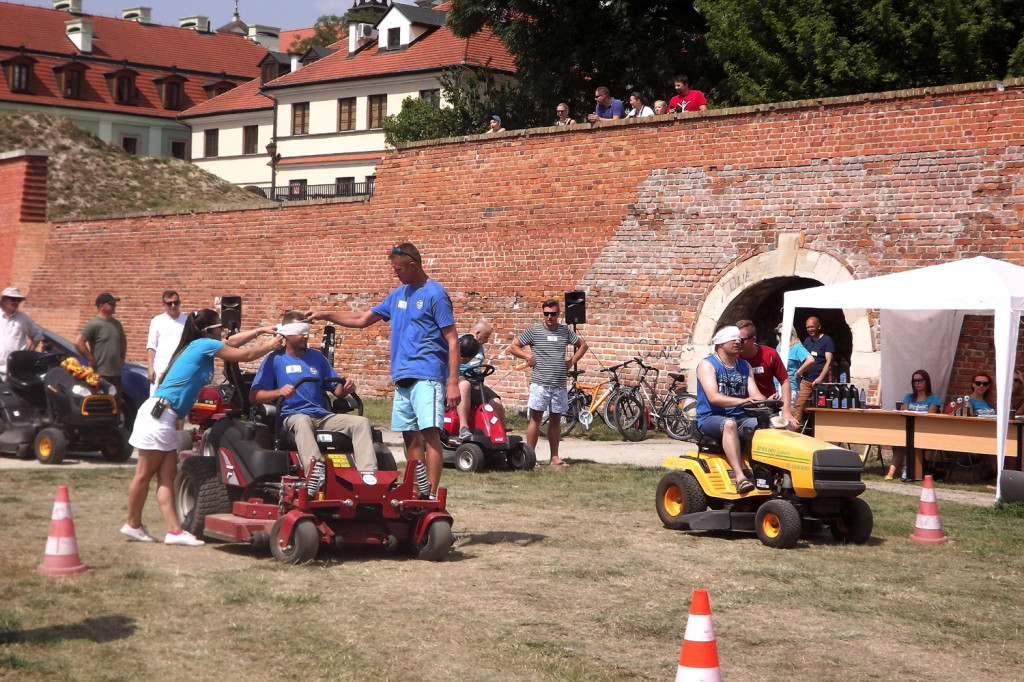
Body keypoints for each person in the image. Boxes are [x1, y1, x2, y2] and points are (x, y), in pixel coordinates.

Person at [306, 242, 460, 497]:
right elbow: (362, 320)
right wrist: (325, 314)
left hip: (427, 376)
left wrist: (453, 382)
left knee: (430, 434)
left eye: (398, 269)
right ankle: (415, 492)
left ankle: (430, 496)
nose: (395, 273)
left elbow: (452, 340)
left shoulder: (435, 294)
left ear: (413, 265)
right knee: (410, 437)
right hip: (402, 379)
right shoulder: (397, 295)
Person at [123, 309, 282, 545]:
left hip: (165, 416)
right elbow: (245, 354)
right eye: (220, 328)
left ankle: (173, 532)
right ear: (209, 331)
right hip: (158, 415)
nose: (223, 332)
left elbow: (232, 342)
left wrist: (259, 330)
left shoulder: (203, 345)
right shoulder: (202, 345)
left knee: (167, 477)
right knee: (144, 474)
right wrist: (270, 345)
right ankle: (132, 524)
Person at [250, 311, 377, 485]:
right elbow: (254, 396)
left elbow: (336, 390)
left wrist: (345, 388)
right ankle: (317, 474)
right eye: (300, 330)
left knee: (361, 423)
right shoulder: (274, 359)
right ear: (286, 333)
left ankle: (368, 476)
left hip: (321, 415)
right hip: (291, 416)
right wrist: (278, 392)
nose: (306, 335)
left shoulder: (317, 358)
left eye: (306, 330)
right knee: (303, 421)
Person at [510, 299, 588, 466]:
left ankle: (554, 457)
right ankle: (530, 458)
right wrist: (527, 357)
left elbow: (582, 345)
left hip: (559, 383)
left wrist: (571, 361)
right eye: (546, 313)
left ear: (558, 314)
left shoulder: (565, 332)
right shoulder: (534, 331)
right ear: (543, 314)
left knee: (555, 420)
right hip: (540, 382)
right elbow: (513, 347)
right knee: (536, 419)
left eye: (553, 313)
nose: (549, 317)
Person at [696, 326, 764, 494]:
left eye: (739, 339)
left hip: (740, 417)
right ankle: (740, 477)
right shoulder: (707, 365)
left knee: (767, 425)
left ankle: (765, 472)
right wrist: (743, 401)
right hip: (710, 418)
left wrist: (770, 400)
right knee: (729, 424)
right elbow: (714, 397)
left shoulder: (744, 365)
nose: (737, 341)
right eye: (732, 339)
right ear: (720, 343)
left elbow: (755, 394)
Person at [736, 319, 795, 427]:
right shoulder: (733, 358)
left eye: (741, 340)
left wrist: (786, 411)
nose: (737, 343)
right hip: (741, 409)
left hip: (767, 408)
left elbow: (785, 381)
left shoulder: (770, 354)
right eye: (734, 339)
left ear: (753, 339)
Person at [886, 369, 942, 481]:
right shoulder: (908, 397)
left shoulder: (933, 398)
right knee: (903, 442)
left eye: (920, 380)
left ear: (926, 381)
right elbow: (904, 413)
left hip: (925, 430)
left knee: (908, 441)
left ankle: (910, 472)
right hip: (909, 429)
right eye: (914, 381)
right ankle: (890, 474)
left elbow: (930, 415)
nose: (917, 383)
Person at [457, 320, 506, 439]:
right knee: (465, 385)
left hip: (475, 381)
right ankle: (463, 428)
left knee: (496, 402)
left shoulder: (480, 348)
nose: (486, 341)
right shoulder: (459, 341)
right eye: (485, 337)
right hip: (457, 378)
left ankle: (501, 435)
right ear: (477, 333)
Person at [74, 292, 127, 400]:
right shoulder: (94, 324)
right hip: (100, 373)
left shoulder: (116, 324)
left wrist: (122, 356)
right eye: (111, 304)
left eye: (114, 303)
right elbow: (78, 342)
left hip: (116, 373)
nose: (114, 306)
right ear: (101, 306)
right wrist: (89, 358)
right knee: (102, 404)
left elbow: (123, 340)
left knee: (115, 404)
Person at [791, 317, 834, 423]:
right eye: (807, 327)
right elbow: (804, 358)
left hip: (822, 382)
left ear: (819, 326)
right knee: (798, 405)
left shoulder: (827, 341)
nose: (810, 329)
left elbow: (829, 362)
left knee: (821, 408)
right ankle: (795, 430)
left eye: (812, 327)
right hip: (806, 380)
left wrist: (820, 378)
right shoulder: (807, 341)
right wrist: (801, 371)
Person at [145, 290, 187, 395]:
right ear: (164, 304)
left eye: (176, 302)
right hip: (161, 366)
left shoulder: (187, 320)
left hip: (180, 366)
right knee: (156, 397)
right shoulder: (157, 321)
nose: (173, 306)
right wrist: (150, 368)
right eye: (169, 303)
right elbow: (151, 346)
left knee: (178, 396)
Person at [0, 286, 42, 381]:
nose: (16, 303)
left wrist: (28, 353)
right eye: (13, 299)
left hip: (15, 370)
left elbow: (38, 334)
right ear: (3, 299)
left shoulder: (23, 318)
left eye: (18, 300)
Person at [775, 323, 813, 405]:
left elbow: (810, 360)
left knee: (787, 415)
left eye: (784, 334)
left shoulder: (796, 347)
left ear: (791, 333)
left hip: (791, 388)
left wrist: (799, 372)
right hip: (777, 387)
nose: (781, 336)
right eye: (779, 334)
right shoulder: (779, 347)